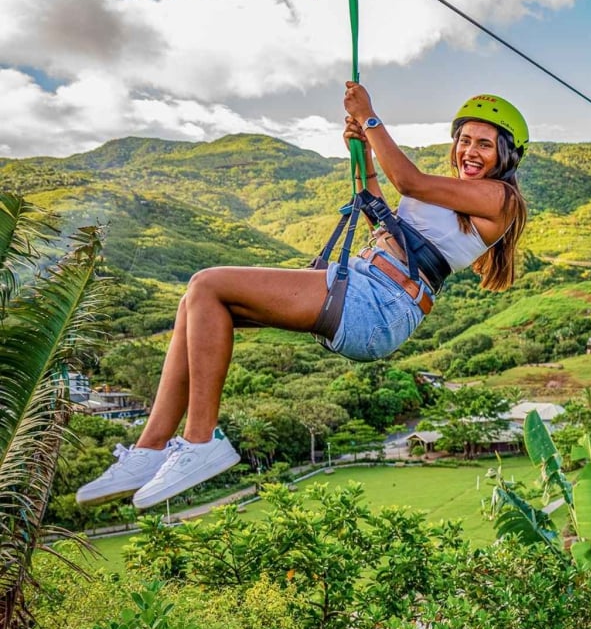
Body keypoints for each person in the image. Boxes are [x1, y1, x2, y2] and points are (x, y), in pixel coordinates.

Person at [76, 84, 529, 510]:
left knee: (207, 283)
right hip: (367, 287)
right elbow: (381, 218)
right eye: (464, 140)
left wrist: (369, 117)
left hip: (379, 303)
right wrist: (363, 155)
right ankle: (150, 449)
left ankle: (200, 442)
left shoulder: (499, 198)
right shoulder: (453, 194)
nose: (469, 151)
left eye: (484, 144)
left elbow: (408, 181)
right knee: (196, 304)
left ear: (505, 154)